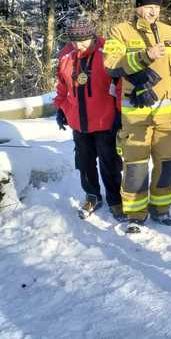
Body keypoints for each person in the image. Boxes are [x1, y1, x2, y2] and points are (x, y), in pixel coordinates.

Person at [103, 0, 171, 234]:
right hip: (136, 114)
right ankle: (135, 214)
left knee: (168, 164)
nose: (153, 12)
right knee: (135, 167)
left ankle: (161, 209)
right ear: (138, 7)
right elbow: (110, 63)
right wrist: (144, 56)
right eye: (148, 7)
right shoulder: (120, 31)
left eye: (156, 7)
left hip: (167, 115)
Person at [54, 17, 124, 221]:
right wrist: (61, 108)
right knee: (84, 162)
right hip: (79, 121)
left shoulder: (107, 52)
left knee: (109, 163)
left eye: (83, 41)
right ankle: (92, 196)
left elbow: (120, 85)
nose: (79, 46)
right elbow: (62, 86)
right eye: (74, 41)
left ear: (92, 36)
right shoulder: (67, 55)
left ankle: (115, 199)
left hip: (105, 120)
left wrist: (120, 113)